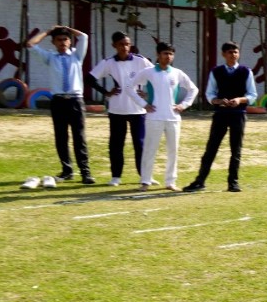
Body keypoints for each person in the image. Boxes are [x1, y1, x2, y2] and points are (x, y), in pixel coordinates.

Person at [185, 42, 257, 193]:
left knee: (236, 149)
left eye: (236, 52)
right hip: (221, 114)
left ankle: (233, 182)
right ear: (223, 54)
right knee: (211, 148)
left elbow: (252, 94)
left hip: (238, 115)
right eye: (230, 52)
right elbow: (210, 93)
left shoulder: (246, 72)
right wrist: (217, 101)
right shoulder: (216, 72)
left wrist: (239, 100)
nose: (233, 55)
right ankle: (200, 181)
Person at [26, 25, 94, 183]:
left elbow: (84, 36)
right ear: (54, 42)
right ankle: (67, 170)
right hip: (58, 101)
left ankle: (85, 172)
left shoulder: (77, 56)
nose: (62, 42)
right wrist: (48, 31)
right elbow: (30, 44)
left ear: (70, 41)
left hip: (75, 100)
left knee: (79, 137)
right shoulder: (50, 57)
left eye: (65, 39)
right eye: (59, 40)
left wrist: (67, 28)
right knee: (61, 137)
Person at [86, 32, 153, 185]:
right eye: (121, 44)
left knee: (140, 144)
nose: (125, 47)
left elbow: (155, 75)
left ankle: (144, 175)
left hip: (138, 109)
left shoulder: (140, 60)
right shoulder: (108, 63)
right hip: (117, 109)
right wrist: (106, 92)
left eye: (127, 44)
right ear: (114, 45)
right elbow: (89, 79)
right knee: (116, 144)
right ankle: (116, 176)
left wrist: (148, 93)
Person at [131, 42, 198, 191]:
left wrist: (183, 105)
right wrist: (143, 104)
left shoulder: (177, 73)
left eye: (171, 54)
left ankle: (170, 182)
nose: (168, 56)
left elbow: (193, 89)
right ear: (158, 54)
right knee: (150, 149)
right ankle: (145, 181)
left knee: (173, 150)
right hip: (154, 117)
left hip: (173, 117)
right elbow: (129, 87)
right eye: (165, 53)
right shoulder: (148, 72)